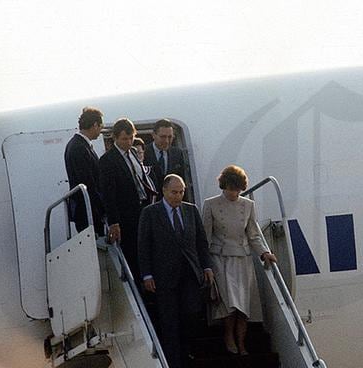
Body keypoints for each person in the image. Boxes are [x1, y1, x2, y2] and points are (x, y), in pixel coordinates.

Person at [138, 174, 214, 368]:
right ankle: (173, 361)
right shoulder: (150, 213)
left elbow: (201, 242)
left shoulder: (191, 211)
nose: (178, 196)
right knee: (169, 320)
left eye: (181, 192)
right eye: (174, 192)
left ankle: (186, 352)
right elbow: (144, 246)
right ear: (164, 191)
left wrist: (206, 266)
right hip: (164, 277)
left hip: (189, 274)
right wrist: (147, 274)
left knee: (191, 315)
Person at [202, 165, 277, 355]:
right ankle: (229, 337)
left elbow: (253, 234)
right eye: (230, 189)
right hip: (221, 258)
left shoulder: (248, 205)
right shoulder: (210, 204)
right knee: (229, 304)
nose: (234, 193)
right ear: (224, 186)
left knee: (243, 306)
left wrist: (264, 253)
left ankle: (241, 343)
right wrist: (205, 264)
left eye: (237, 189)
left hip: (242, 258)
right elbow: (205, 236)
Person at [99, 118, 156, 277]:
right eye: (124, 139)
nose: (129, 142)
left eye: (131, 138)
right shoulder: (107, 161)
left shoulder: (132, 153)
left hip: (142, 208)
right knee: (132, 251)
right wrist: (114, 221)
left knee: (146, 248)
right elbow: (108, 193)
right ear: (115, 138)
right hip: (125, 215)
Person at [64, 107, 105, 236]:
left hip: (88, 209)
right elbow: (89, 183)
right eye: (100, 127)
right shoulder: (79, 148)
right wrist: (102, 209)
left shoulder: (78, 145)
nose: (100, 131)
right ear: (94, 125)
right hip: (88, 211)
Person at [143, 119, 188, 197]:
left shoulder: (177, 153)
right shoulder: (143, 153)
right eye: (163, 137)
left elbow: (182, 180)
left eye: (170, 137)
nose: (166, 141)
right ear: (153, 135)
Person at [133, 137, 158, 203]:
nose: (138, 155)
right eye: (135, 153)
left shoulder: (150, 171)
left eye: (140, 152)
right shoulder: (128, 173)